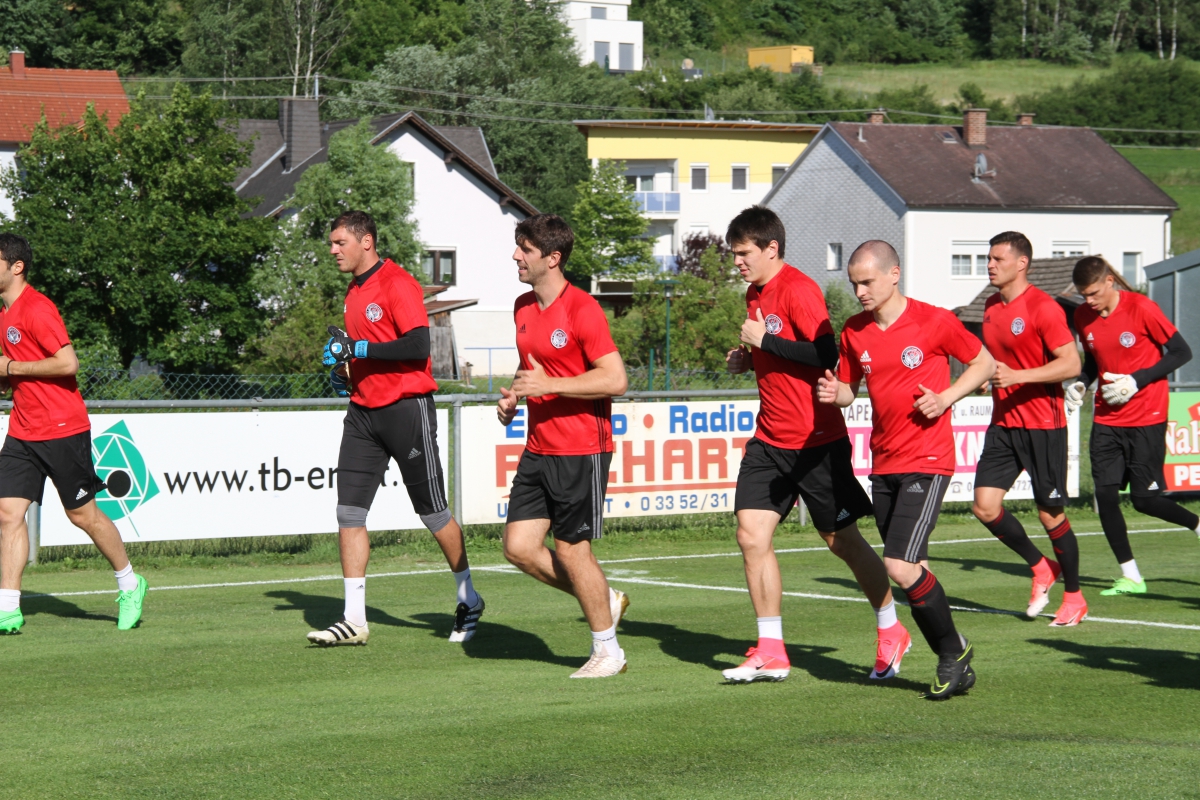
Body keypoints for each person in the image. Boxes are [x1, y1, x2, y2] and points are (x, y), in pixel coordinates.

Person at [721, 206, 911, 684]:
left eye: (743, 253)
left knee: (841, 541)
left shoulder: (800, 289)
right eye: (734, 255)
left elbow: (826, 354)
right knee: (751, 536)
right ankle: (771, 649)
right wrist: (749, 357)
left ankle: (891, 628)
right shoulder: (754, 293)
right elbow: (776, 352)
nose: (738, 262)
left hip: (816, 442)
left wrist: (765, 341)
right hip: (769, 440)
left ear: (771, 248)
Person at [818, 240, 995, 700]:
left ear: (894, 275)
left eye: (867, 281)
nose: (859, 291)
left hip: (928, 460)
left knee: (897, 564)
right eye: (854, 283)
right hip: (884, 463)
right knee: (914, 567)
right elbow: (849, 390)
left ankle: (952, 653)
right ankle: (955, 656)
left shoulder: (934, 320)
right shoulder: (854, 331)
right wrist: (835, 393)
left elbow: (984, 363)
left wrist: (947, 397)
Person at [307, 211, 483, 646]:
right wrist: (346, 370)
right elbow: (364, 353)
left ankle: (469, 597)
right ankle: (354, 620)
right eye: (331, 243)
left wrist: (359, 348)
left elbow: (418, 345)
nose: (332, 250)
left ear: (365, 241)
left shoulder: (398, 283)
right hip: (363, 412)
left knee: (433, 513)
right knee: (349, 513)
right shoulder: (353, 290)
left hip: (406, 409)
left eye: (339, 242)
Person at [496, 213, 631, 679]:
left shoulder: (582, 309)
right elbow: (533, 371)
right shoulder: (522, 307)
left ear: (552, 258)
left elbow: (615, 379)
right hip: (539, 447)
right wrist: (515, 398)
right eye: (518, 246)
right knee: (518, 547)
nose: (516, 255)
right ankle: (605, 599)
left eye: (526, 249)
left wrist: (549, 384)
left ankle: (608, 652)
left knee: (573, 550)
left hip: (582, 448)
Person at [0, 232, 147, 633]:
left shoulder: (37, 308)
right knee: (7, 513)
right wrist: (5, 377)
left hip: (62, 428)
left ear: (17, 266)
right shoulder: (3, 316)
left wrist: (10, 368)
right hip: (23, 430)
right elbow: (15, 373)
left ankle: (130, 584)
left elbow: (67, 363)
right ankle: (8, 608)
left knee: (82, 515)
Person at [971, 232, 1087, 626]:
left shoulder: (1043, 307)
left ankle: (1074, 597)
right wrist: (986, 377)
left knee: (1049, 515)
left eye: (998, 259)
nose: (990, 265)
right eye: (988, 258)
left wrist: (1018, 376)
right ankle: (1041, 567)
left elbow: (1071, 364)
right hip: (1004, 423)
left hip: (1043, 424)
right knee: (984, 507)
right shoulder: (990, 306)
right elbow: (995, 361)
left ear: (1022, 263)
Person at [1067, 256, 1198, 596]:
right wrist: (1081, 382)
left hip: (1147, 416)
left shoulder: (1142, 308)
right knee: (1105, 495)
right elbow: (1094, 360)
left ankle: (1197, 524)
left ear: (1109, 281)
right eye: (1083, 295)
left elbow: (1181, 352)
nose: (1089, 301)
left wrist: (1136, 380)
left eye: (1094, 293)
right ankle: (1132, 577)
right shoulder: (1083, 316)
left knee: (1145, 500)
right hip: (1106, 418)